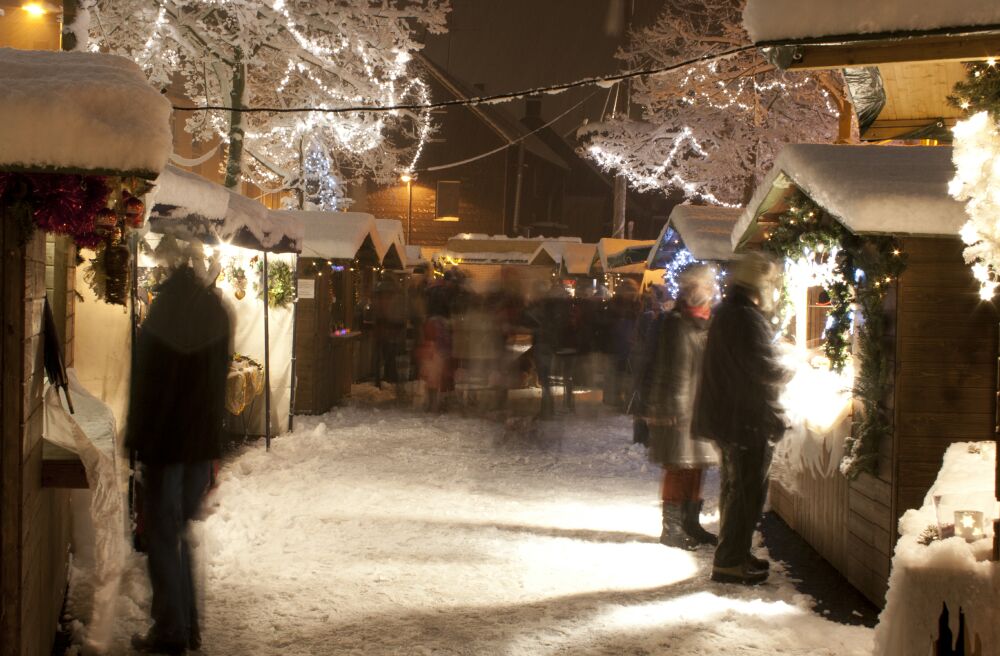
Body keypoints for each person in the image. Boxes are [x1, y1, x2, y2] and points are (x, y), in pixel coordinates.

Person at [126, 263, 232, 654]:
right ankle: (187, 626)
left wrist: (136, 439)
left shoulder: (164, 311)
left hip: (166, 443)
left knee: (163, 535)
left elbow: (149, 384)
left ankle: (171, 629)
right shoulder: (216, 311)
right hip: (199, 446)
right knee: (182, 532)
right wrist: (213, 450)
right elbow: (218, 384)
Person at [693, 253, 789, 585]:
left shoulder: (729, 313)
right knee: (745, 492)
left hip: (731, 418)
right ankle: (730, 562)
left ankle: (732, 555)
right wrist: (795, 365)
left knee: (737, 490)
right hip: (744, 417)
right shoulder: (745, 317)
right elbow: (763, 367)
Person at [642, 265, 719, 549]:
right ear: (687, 290)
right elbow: (665, 367)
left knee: (697, 465)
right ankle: (671, 527)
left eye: (707, 287)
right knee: (678, 466)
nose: (703, 292)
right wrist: (667, 407)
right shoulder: (674, 322)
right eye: (697, 287)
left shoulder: (709, 321)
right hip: (676, 407)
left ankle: (690, 522)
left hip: (701, 404)